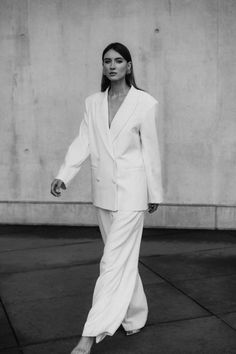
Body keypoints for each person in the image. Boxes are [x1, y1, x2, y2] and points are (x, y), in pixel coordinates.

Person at [51, 42, 163, 354]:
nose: (112, 66)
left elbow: (151, 151)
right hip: (103, 192)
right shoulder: (92, 103)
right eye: (106, 61)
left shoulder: (145, 103)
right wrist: (64, 173)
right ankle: (135, 316)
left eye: (118, 61)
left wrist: (154, 192)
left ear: (129, 66)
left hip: (133, 193)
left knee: (112, 262)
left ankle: (89, 335)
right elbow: (83, 140)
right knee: (122, 260)